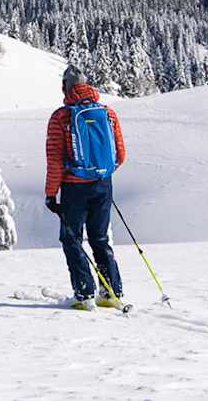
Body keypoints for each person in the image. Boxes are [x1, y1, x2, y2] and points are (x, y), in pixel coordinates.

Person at [45, 64, 127, 310]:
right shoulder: (108, 113)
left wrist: (51, 194)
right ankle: (111, 292)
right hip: (103, 184)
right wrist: (100, 175)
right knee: (100, 238)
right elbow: (120, 155)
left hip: (74, 188)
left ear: (65, 88)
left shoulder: (61, 117)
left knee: (72, 239)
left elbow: (55, 160)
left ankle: (84, 294)